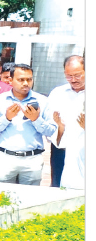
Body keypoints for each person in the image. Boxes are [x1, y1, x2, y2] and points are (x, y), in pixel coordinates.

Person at [0, 64, 56, 185]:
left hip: (32, 160)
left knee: (31, 199)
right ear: (11, 80)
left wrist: (36, 119)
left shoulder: (42, 101)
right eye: (21, 80)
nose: (26, 83)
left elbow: (51, 131)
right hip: (5, 158)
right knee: (3, 197)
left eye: (29, 79)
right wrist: (6, 118)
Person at [46, 55, 85, 189]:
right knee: (58, 188)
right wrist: (60, 129)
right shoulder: (58, 93)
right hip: (60, 149)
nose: (73, 80)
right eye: (69, 76)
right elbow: (50, 123)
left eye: (78, 75)